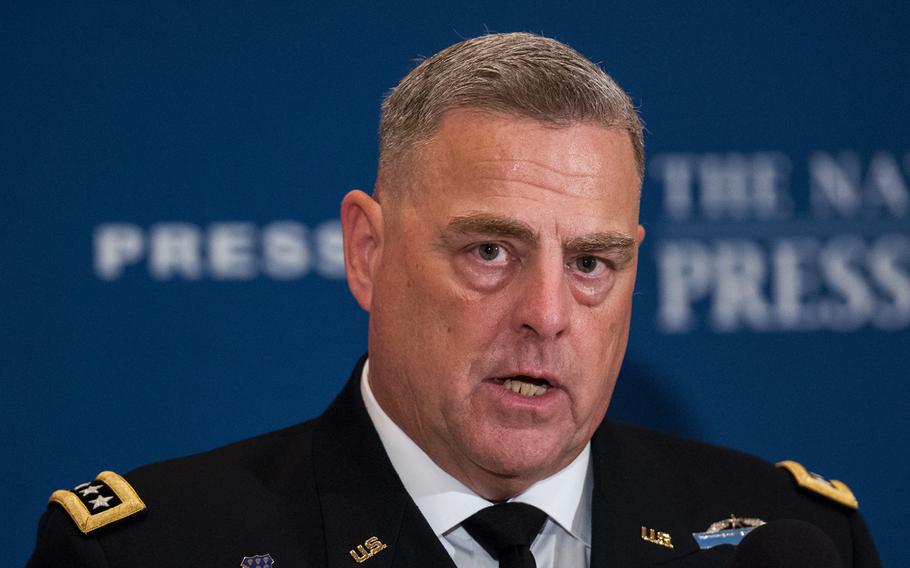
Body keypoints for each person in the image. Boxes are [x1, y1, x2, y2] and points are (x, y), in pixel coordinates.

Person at [28, 32, 880, 567]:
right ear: (367, 251)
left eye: (591, 262)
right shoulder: (158, 550)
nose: (547, 314)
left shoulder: (789, 540)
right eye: (489, 250)